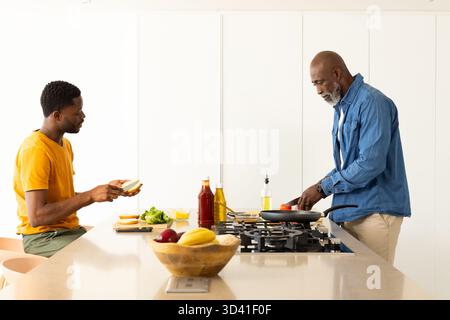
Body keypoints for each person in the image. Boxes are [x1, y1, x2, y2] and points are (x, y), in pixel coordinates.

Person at [297, 51, 411, 264]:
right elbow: (349, 164)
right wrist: (318, 188)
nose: (318, 90)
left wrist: (323, 188)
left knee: (375, 291)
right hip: (351, 212)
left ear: (337, 73)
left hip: (375, 214)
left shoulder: (372, 102)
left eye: (320, 82)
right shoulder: (341, 108)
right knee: (353, 290)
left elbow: (370, 163)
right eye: (314, 85)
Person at [13, 80, 142, 258]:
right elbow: (37, 216)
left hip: (68, 232)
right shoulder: (35, 150)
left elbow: (62, 200)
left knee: (123, 244)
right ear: (57, 116)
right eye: (76, 112)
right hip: (43, 238)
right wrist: (89, 196)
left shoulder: (64, 144)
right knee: (106, 261)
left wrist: (105, 190)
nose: (83, 116)